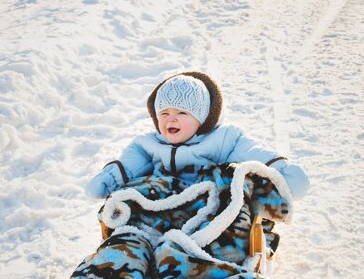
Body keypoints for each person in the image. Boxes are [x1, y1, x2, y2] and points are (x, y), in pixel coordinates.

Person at [86, 71, 309, 200]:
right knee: (136, 198)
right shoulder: (147, 144)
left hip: (207, 207)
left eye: (182, 112)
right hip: (159, 209)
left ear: (202, 118)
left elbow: (253, 154)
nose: (171, 119)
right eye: (164, 113)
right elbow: (129, 164)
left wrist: (282, 173)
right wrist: (109, 179)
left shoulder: (224, 139)